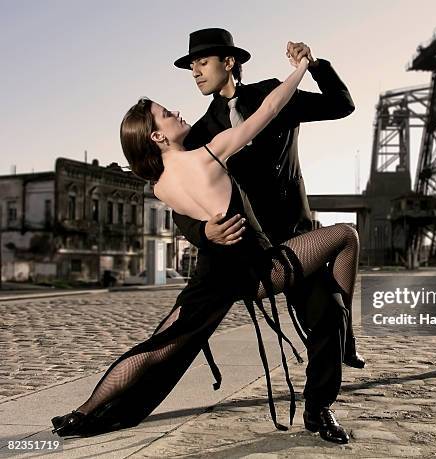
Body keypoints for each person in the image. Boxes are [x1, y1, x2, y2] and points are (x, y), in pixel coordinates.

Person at [50, 53, 358, 445]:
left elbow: (316, 106)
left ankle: (80, 415)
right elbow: (271, 107)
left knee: (155, 345)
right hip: (256, 270)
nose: (177, 112)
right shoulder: (209, 153)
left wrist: (208, 229)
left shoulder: (161, 186)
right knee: (347, 233)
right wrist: (300, 68)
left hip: (212, 277)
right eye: (166, 114)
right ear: (158, 137)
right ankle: (346, 330)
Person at [171, 28, 363, 441]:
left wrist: (313, 66)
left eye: (202, 62)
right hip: (255, 251)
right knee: (182, 331)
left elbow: (341, 105)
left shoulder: (274, 93)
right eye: (191, 65)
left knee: (328, 313)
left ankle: (319, 410)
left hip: (302, 236)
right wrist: (203, 231)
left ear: (229, 62)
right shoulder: (202, 133)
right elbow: (181, 199)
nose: (195, 72)